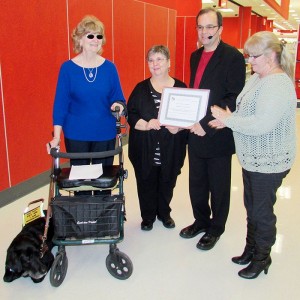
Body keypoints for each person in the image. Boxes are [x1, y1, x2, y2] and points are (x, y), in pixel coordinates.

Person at [210, 31, 297, 279]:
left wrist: (229, 120)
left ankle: (262, 258)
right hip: (253, 158)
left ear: (271, 56)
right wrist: (229, 118)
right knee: (252, 207)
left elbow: (261, 124)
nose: (250, 61)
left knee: (261, 212)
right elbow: (246, 112)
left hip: (269, 160)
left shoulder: (278, 84)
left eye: (254, 56)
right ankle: (251, 249)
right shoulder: (258, 77)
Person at [179, 7, 246, 250]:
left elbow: (232, 97)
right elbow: (197, 92)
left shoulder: (233, 57)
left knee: (218, 185)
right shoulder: (195, 56)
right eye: (200, 26)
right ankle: (200, 221)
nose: (204, 31)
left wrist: (204, 124)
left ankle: (216, 228)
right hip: (194, 131)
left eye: (210, 27)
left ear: (220, 29)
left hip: (216, 131)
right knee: (196, 181)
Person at [47, 15, 126, 171]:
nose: (95, 39)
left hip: (104, 132)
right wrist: (56, 137)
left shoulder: (110, 68)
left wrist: (118, 105)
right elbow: (60, 105)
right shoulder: (67, 69)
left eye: (99, 36)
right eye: (90, 35)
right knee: (80, 181)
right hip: (76, 134)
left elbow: (119, 97)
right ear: (80, 39)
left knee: (103, 182)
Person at [127, 45, 187, 231]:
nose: (155, 64)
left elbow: (188, 117)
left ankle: (164, 213)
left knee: (168, 181)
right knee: (146, 181)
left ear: (169, 62)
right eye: (151, 60)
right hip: (145, 148)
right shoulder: (140, 89)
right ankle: (148, 216)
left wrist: (179, 127)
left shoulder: (181, 87)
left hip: (172, 147)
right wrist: (146, 124)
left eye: (159, 59)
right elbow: (131, 115)